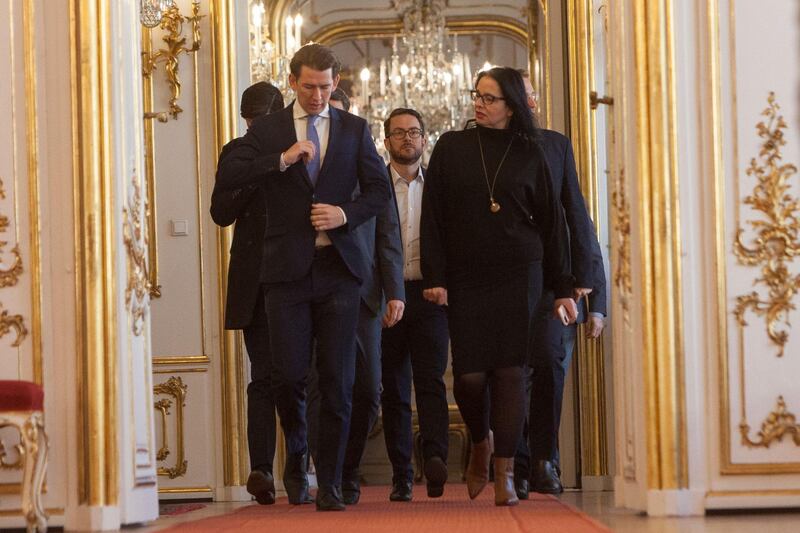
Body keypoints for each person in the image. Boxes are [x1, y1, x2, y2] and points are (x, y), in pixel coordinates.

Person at [216, 43, 391, 512]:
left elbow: (379, 191)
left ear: (336, 83)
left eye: (325, 86)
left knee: (337, 379)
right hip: (284, 274)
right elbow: (230, 173)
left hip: (339, 271)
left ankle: (331, 481)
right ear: (293, 82)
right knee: (289, 377)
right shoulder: (270, 129)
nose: (317, 95)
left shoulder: (354, 130)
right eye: (309, 86)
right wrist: (282, 160)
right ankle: (296, 464)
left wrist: (344, 214)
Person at [421, 67, 577, 507]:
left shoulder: (532, 151)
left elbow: (554, 224)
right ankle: (481, 442)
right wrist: (434, 277)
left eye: (489, 98)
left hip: (520, 275)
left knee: (511, 371)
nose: (479, 103)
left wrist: (563, 285)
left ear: (510, 105)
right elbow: (431, 217)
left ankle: (505, 473)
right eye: (478, 96)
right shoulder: (452, 147)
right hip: (467, 275)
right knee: (469, 378)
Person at [307, 84, 406, 506]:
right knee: (324, 387)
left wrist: (395, 290)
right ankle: (329, 475)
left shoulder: (367, 164)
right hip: (314, 288)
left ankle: (347, 467)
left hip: (365, 293)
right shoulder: (304, 165)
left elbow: (388, 231)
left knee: (366, 390)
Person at [512, 71, 606, 497]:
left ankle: (544, 457)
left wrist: (586, 280)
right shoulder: (473, 147)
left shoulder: (555, 144)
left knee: (549, 364)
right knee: (509, 374)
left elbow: (576, 211)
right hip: (500, 280)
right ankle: (517, 460)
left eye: (532, 96)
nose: (531, 103)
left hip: (554, 280)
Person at [210, 81, 285, 506]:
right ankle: (261, 470)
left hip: (299, 278)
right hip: (254, 283)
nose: (253, 126)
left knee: (300, 378)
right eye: (249, 120)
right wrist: (263, 166)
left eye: (260, 119)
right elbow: (221, 213)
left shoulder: (301, 147)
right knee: (263, 378)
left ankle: (302, 466)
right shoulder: (236, 153)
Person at [379, 108, 450, 503]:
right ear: (386, 141)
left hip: (429, 295)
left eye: (415, 132)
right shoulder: (374, 184)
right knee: (393, 389)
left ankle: (436, 459)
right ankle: (402, 474)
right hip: (388, 297)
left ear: (425, 139)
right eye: (399, 133)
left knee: (431, 382)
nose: (408, 139)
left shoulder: (438, 185)